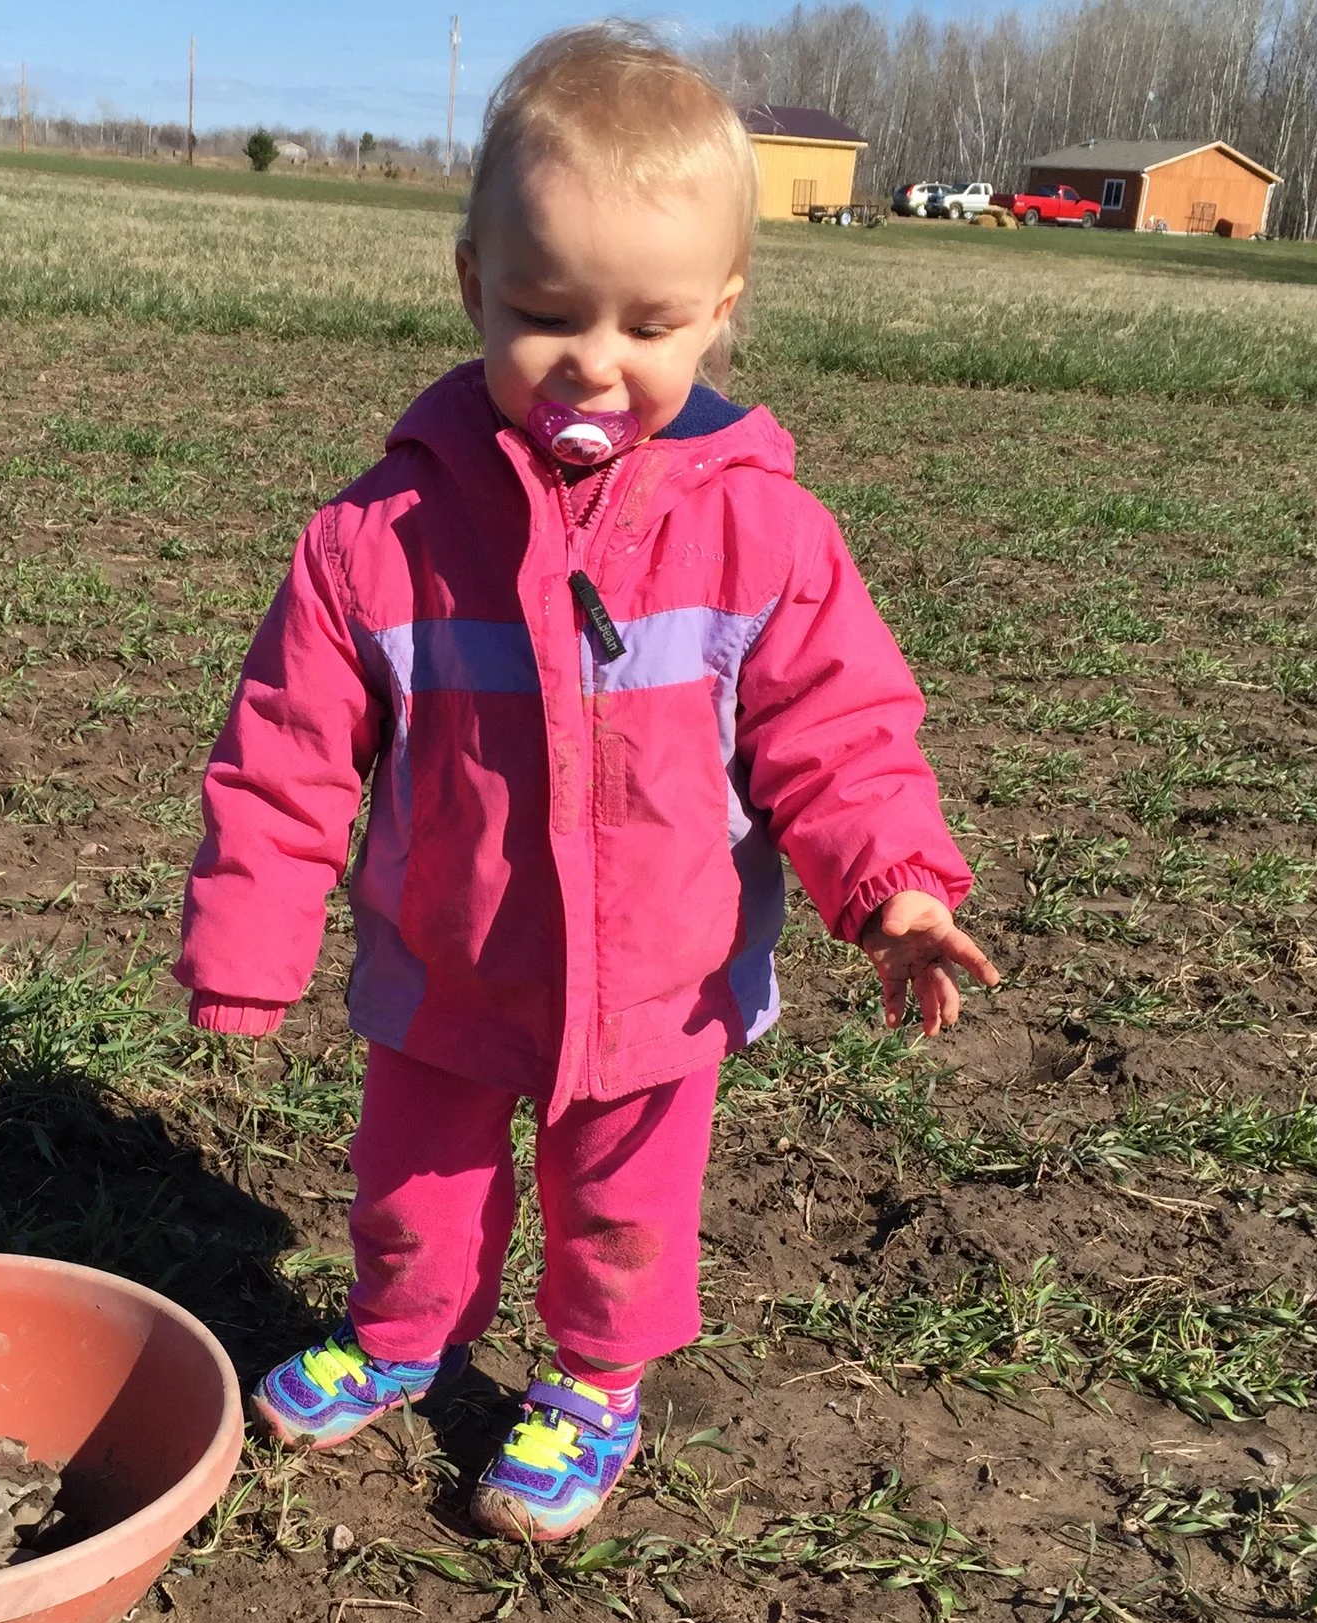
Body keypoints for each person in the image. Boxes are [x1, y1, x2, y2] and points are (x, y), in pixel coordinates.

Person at [175, 21, 996, 1541]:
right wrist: (245, 945)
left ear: (722, 317)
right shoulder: (380, 535)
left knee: (624, 1213)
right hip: (448, 960)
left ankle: (595, 1384)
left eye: (651, 325)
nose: (595, 365)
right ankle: (405, 1333)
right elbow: (286, 750)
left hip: (657, 985)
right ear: (474, 282)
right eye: (548, 311)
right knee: (413, 1183)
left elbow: (842, 732)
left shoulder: (765, 537)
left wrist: (897, 889)